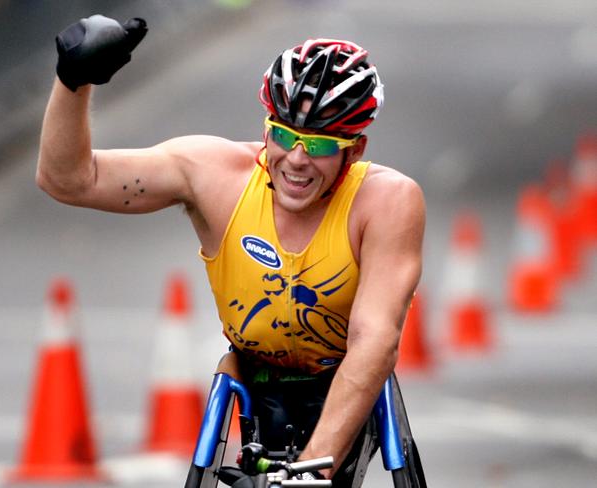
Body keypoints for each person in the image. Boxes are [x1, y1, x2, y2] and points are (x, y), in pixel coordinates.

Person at [37, 14, 425, 487]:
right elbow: (70, 180)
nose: (297, 160)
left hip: (344, 384)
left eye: (320, 144)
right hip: (252, 379)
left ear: (355, 149)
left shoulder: (387, 201)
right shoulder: (213, 175)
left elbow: (375, 340)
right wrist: (73, 82)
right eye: (283, 136)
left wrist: (314, 468)